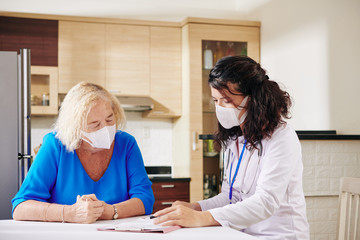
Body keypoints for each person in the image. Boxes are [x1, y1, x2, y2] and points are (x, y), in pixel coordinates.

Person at [153, 56, 309, 239]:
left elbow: (266, 202)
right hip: (242, 234)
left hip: (278, 235)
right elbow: (231, 197)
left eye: (226, 100)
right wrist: (196, 207)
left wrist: (202, 218)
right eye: (215, 100)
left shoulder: (282, 138)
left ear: (253, 99)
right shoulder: (234, 138)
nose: (219, 108)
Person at [12, 82, 154, 224]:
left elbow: (145, 199)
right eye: (95, 124)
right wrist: (69, 213)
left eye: (110, 119)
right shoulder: (56, 145)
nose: (105, 129)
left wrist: (110, 211)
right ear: (75, 127)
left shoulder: (126, 144)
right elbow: (20, 207)